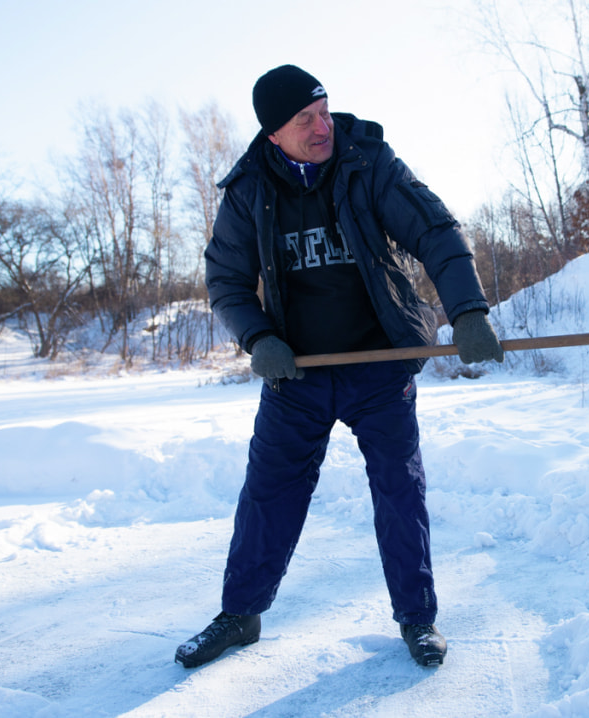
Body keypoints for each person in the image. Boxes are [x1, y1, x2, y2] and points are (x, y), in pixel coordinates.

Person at [175, 65, 503, 669]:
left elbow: (434, 231)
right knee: (269, 491)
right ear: (274, 133)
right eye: (305, 120)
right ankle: (240, 615)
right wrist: (258, 337)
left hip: (378, 363)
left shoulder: (367, 162)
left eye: (324, 111)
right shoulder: (248, 189)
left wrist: (469, 310)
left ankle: (418, 619)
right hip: (296, 372)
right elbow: (225, 280)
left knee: (399, 490)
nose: (323, 126)